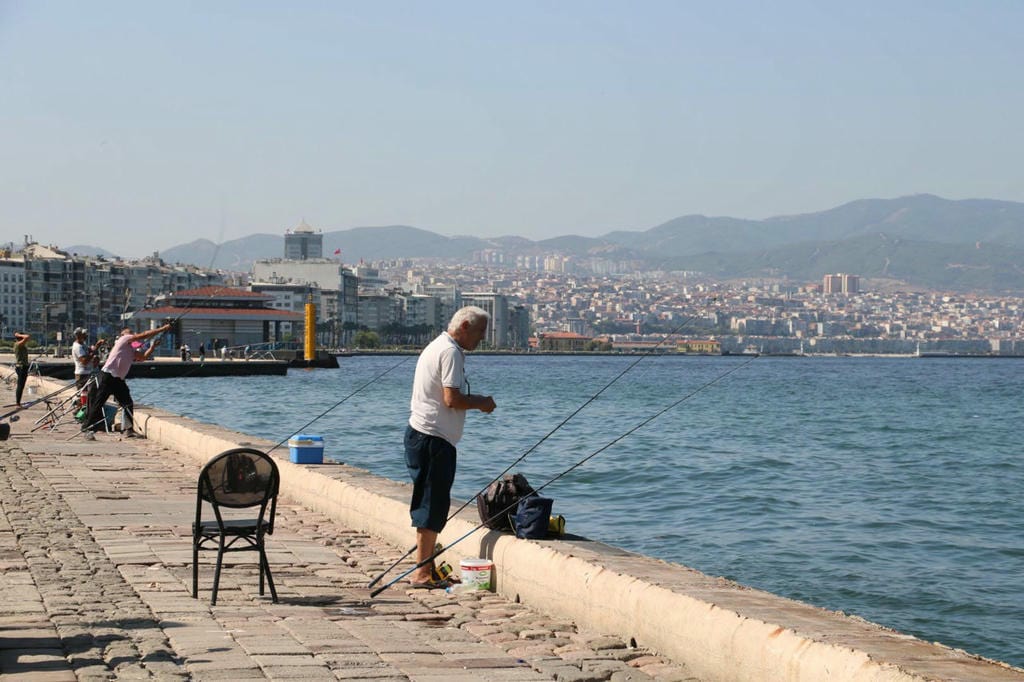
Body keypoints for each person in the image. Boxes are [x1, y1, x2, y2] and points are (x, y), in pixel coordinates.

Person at [404, 306, 496, 588]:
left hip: (420, 436)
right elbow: (451, 399)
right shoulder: (452, 352)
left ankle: (426, 567)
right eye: (480, 332)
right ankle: (421, 574)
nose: (481, 339)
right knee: (432, 505)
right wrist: (481, 402)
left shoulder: (437, 346)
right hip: (434, 440)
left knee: (429, 501)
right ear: (465, 326)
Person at [82, 323, 171, 440]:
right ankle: (88, 429)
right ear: (123, 335)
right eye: (129, 332)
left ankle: (129, 430)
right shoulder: (123, 340)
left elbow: (142, 357)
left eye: (132, 333)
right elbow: (143, 335)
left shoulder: (130, 349)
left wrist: (152, 347)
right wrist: (162, 329)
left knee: (127, 402)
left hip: (118, 379)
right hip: (108, 375)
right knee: (99, 402)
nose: (131, 334)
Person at [12, 331, 31, 407]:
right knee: (20, 385)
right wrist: (18, 334)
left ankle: (18, 402)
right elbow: (27, 337)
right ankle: (18, 403)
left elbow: (26, 338)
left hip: (23, 367)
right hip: (21, 367)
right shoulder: (18, 344)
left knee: (22, 385)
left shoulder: (21, 345)